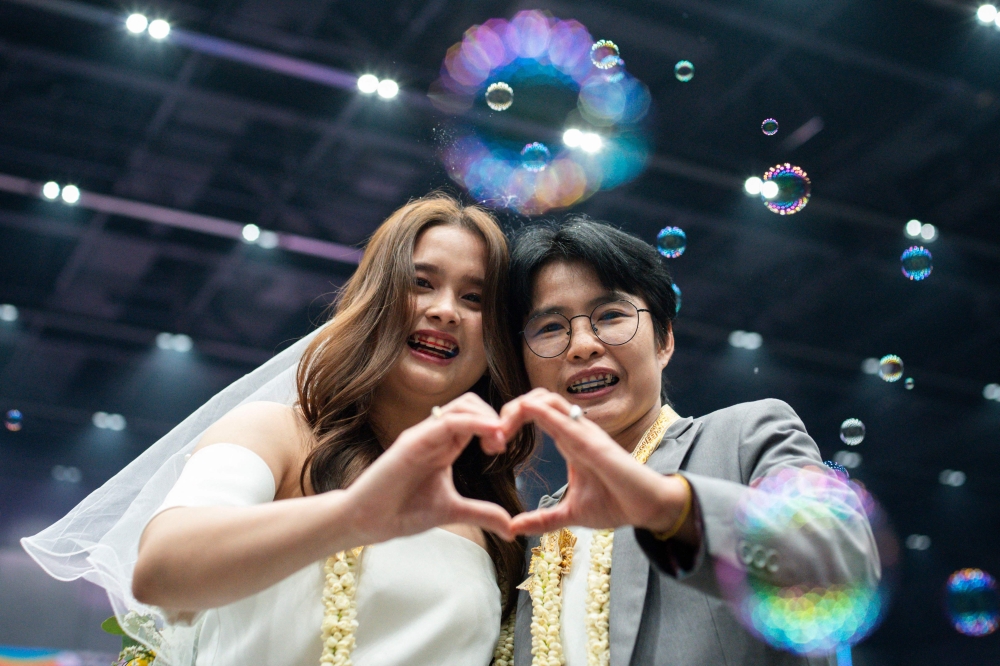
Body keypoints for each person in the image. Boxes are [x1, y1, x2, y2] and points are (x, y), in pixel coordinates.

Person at [22, 193, 532, 666]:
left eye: (474, 299)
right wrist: (353, 516)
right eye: (421, 283)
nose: (445, 311)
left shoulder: (493, 515)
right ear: (374, 300)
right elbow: (162, 570)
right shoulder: (275, 435)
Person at [498, 218, 881, 666]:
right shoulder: (535, 531)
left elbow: (842, 564)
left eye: (610, 316)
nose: (582, 345)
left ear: (664, 341)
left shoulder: (746, 437)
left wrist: (663, 505)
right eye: (548, 328)